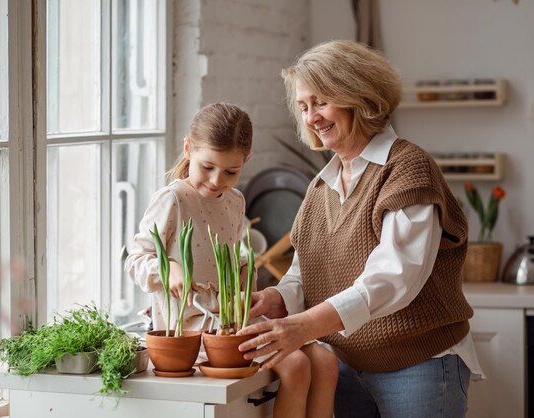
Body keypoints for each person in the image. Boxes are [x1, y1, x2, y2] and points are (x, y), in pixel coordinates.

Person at [237, 40, 484, 418]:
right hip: (346, 367)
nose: (310, 118)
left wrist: (301, 326)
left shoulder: (407, 169)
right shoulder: (322, 185)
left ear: (358, 96)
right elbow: (306, 272)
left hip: (419, 366)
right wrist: (277, 300)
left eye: (321, 102)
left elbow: (392, 279)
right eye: (303, 106)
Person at [125, 102, 336, 418]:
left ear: (245, 162)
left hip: (232, 318)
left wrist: (241, 275)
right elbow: (135, 258)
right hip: (194, 328)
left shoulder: (235, 200)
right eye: (207, 166)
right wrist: (169, 270)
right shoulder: (173, 199)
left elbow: (236, 254)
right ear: (188, 149)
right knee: (296, 365)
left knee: (325, 361)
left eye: (231, 171)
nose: (216, 180)